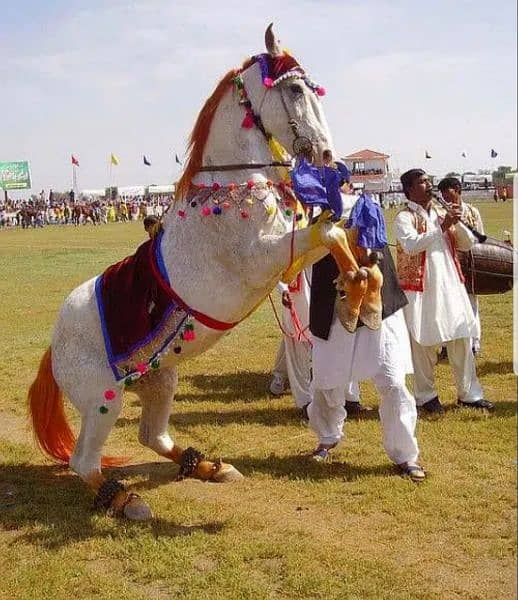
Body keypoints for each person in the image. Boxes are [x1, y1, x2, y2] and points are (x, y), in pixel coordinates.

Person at [307, 193, 425, 480]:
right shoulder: (316, 221)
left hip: (378, 312)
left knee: (394, 383)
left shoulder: (369, 213)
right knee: (326, 382)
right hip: (333, 312)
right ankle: (327, 436)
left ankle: (405, 454)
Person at [394, 169, 493, 414]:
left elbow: (468, 243)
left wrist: (456, 224)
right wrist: (441, 226)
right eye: (422, 182)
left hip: (450, 284)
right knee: (423, 341)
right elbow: (410, 245)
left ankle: (469, 393)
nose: (429, 185)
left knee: (461, 336)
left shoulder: (441, 212)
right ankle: (425, 396)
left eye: (429, 181)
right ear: (409, 190)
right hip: (421, 289)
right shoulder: (404, 217)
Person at [438, 176, 484, 354]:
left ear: (458, 191)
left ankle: (474, 343)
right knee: (445, 305)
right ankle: (445, 346)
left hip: (469, 265)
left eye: (449, 195)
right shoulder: (439, 213)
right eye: (443, 196)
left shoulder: (472, 212)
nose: (446, 200)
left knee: (471, 304)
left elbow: (481, 239)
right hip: (447, 266)